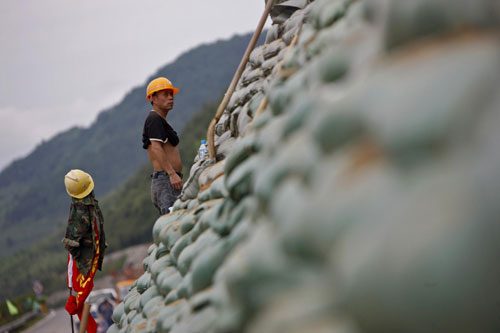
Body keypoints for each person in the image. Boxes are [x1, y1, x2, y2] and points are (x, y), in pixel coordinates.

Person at [62, 169, 106, 333]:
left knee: (80, 290)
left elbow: (73, 241)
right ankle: (89, 327)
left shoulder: (80, 209)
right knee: (81, 291)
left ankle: (88, 327)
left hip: (84, 258)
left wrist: (70, 245)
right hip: (91, 254)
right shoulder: (92, 204)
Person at [142, 77, 183, 214]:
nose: (170, 98)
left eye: (171, 94)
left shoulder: (160, 120)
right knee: (174, 223)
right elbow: (156, 148)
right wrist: (171, 174)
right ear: (153, 98)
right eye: (165, 94)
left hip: (168, 180)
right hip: (166, 181)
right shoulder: (154, 119)